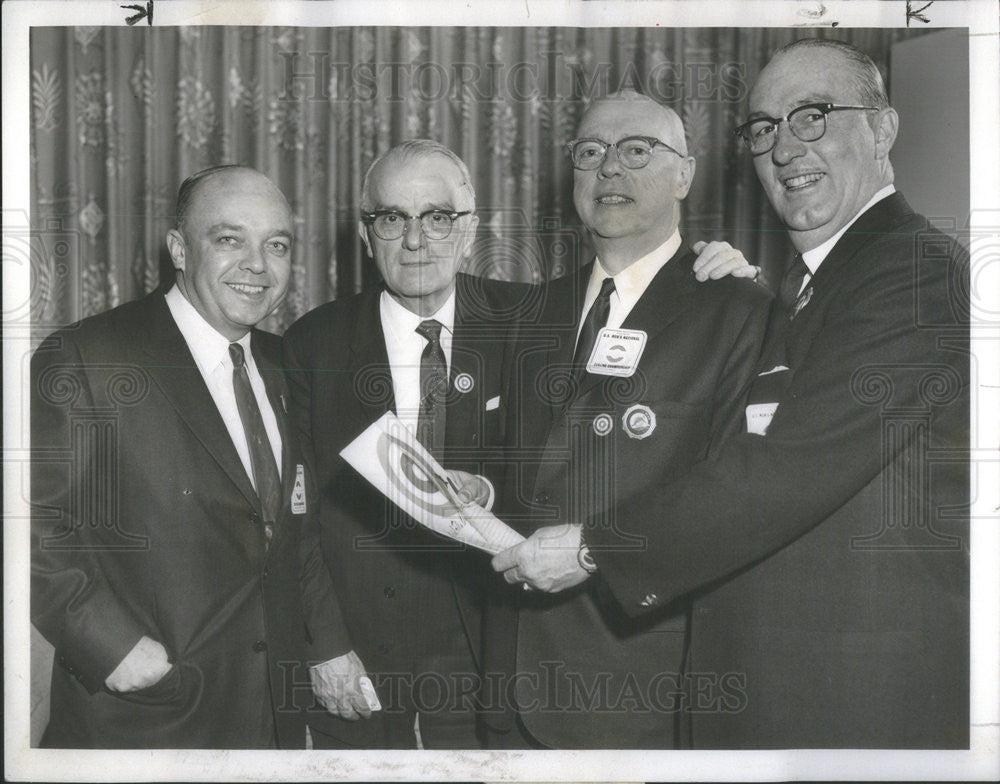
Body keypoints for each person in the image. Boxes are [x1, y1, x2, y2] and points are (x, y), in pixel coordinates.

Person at [494, 39, 969, 749]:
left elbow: (785, 469)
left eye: (812, 116)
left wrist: (596, 546)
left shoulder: (914, 273)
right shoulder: (813, 286)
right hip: (783, 691)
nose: (784, 149)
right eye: (763, 129)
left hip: (852, 699)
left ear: (884, 128)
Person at [482, 91, 772, 749]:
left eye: (637, 149)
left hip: (638, 688)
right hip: (509, 684)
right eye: (590, 153)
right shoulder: (530, 314)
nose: (609, 168)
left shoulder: (738, 313)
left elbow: (735, 498)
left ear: (685, 173)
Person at [30, 165, 343, 748]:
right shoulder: (87, 357)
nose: (258, 264)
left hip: (271, 720)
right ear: (178, 248)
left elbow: (295, 530)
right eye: (229, 240)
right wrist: (112, 647)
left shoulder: (285, 363)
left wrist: (326, 648)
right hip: (142, 719)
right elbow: (30, 527)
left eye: (277, 245)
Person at [282, 140, 536, 749]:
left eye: (437, 217)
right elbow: (293, 514)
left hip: (496, 656)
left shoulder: (530, 323)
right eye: (393, 218)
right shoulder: (312, 342)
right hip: (362, 664)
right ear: (368, 234)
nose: (415, 240)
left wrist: (712, 269)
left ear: (468, 229)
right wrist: (325, 647)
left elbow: (573, 467)